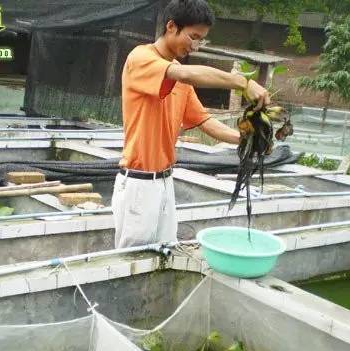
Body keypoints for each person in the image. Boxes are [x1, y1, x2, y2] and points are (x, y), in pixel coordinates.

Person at [112, 0, 270, 248]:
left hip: (165, 181)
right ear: (172, 26)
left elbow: (205, 120)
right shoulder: (141, 58)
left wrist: (248, 140)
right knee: (133, 261)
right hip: (138, 184)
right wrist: (243, 83)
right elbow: (185, 74)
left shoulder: (179, 74)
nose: (195, 46)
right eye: (193, 37)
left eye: (201, 40)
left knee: (166, 254)